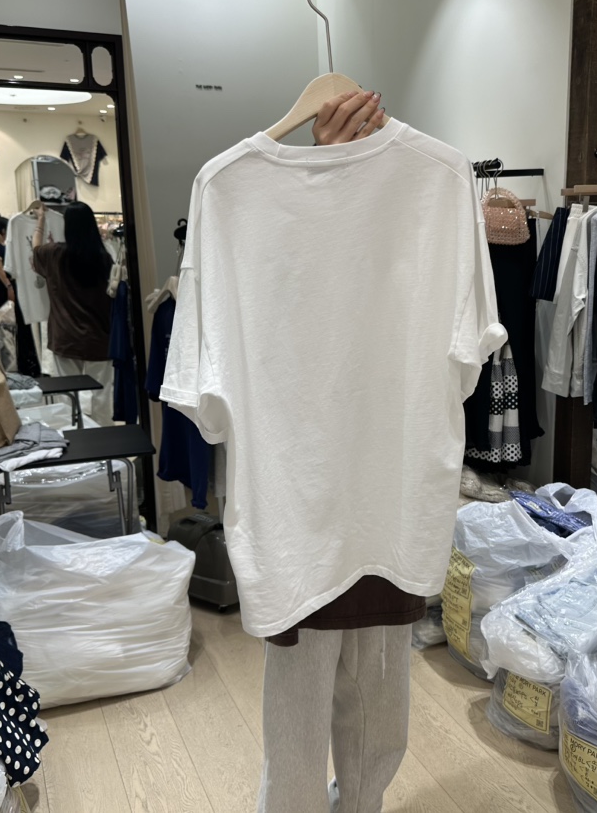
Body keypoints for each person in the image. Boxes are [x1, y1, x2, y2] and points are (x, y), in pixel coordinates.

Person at [255, 90, 418, 813]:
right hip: (302, 497)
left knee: (377, 688)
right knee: (304, 687)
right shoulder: (250, 197)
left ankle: (359, 803)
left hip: (386, 493)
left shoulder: (429, 189)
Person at [32, 201, 113, 424]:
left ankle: (75, 435)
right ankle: (105, 435)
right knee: (102, 394)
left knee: (68, 395)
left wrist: (41, 220)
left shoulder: (54, 254)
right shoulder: (104, 258)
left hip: (66, 334)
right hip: (100, 335)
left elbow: (35, 249)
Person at [0, 215, 41, 377]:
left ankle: (23, 361)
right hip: (4, 287)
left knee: (17, 324)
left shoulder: (4, 245)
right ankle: (16, 362)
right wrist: (9, 286)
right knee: (10, 324)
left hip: (9, 286)